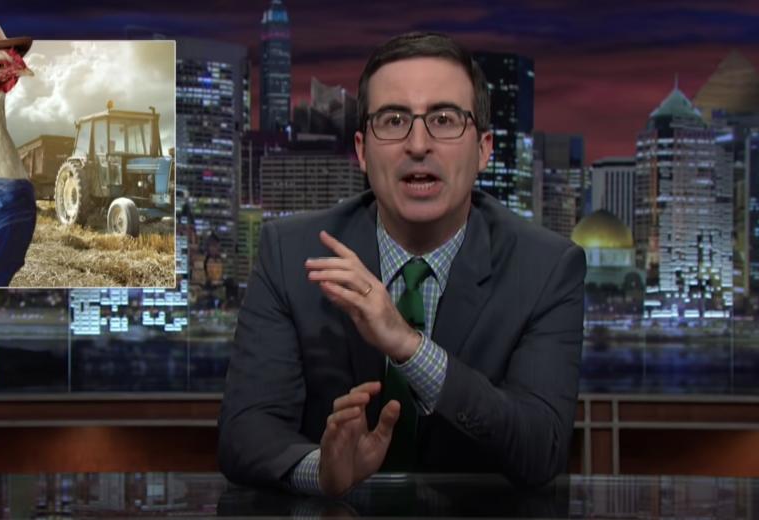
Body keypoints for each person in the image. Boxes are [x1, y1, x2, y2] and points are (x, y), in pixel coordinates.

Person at [218, 32, 586, 496]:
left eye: (444, 119)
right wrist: (323, 471)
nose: (417, 144)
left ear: (484, 150)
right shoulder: (291, 254)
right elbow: (244, 435)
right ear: (361, 151)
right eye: (393, 120)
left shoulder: (547, 268)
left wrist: (410, 348)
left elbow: (541, 450)